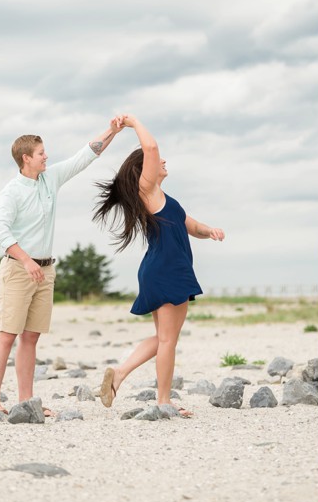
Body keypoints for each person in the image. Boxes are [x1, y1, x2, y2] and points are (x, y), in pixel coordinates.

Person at [0, 117, 125, 416]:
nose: (46, 156)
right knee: (7, 334)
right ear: (27, 158)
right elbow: (1, 231)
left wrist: (112, 131)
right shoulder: (12, 191)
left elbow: (85, 156)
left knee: (31, 336)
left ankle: (26, 400)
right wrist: (25, 261)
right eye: (41, 153)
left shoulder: (51, 178)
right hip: (17, 270)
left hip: (46, 270)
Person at [93, 114, 224, 417]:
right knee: (168, 341)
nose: (163, 161)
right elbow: (150, 148)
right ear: (145, 171)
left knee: (165, 338)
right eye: (158, 161)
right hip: (166, 269)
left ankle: (121, 374)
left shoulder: (166, 199)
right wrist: (133, 122)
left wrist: (211, 231)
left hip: (165, 268)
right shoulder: (147, 190)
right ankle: (163, 401)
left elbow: (191, 226)